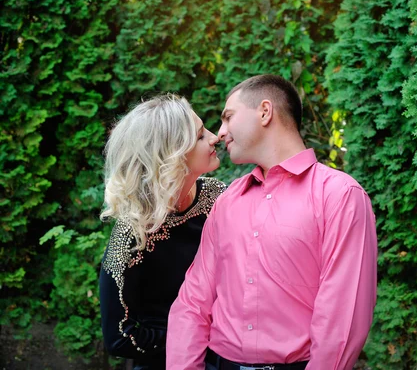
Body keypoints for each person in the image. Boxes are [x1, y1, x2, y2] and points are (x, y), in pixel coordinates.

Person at [167, 75, 378, 370]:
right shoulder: (227, 203)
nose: (220, 133)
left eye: (228, 117)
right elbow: (192, 303)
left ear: (265, 112)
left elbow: (342, 319)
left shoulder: (340, 195)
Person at [99, 94, 226, 370]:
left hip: (227, 356)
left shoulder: (217, 196)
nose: (215, 137)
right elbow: (118, 336)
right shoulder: (130, 234)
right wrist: (187, 338)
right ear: (173, 155)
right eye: (201, 136)